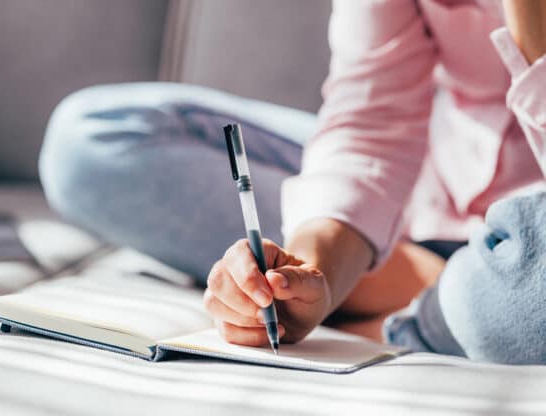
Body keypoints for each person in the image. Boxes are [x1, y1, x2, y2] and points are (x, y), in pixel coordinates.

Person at [39, 0, 546, 358]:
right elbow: (372, 120)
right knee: (94, 140)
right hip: (426, 190)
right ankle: (436, 282)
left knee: (523, 306)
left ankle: (449, 289)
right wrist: (314, 270)